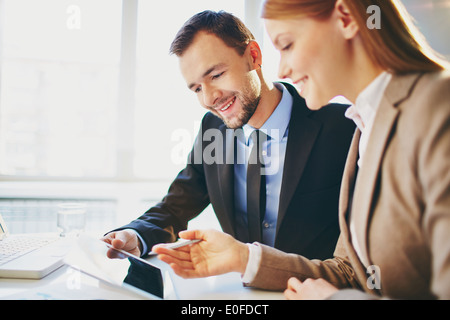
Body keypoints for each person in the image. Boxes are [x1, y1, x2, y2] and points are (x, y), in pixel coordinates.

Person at [152, 0, 450, 300]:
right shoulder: (365, 127)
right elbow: (352, 271)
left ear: (345, 18)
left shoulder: (437, 106)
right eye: (196, 88)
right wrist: (243, 258)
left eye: (288, 44)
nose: (282, 69)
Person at [102, 11, 355, 260]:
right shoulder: (213, 129)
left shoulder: (344, 128)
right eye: (197, 88)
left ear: (253, 56)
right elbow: (176, 206)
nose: (209, 97)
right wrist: (135, 235)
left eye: (216, 75)